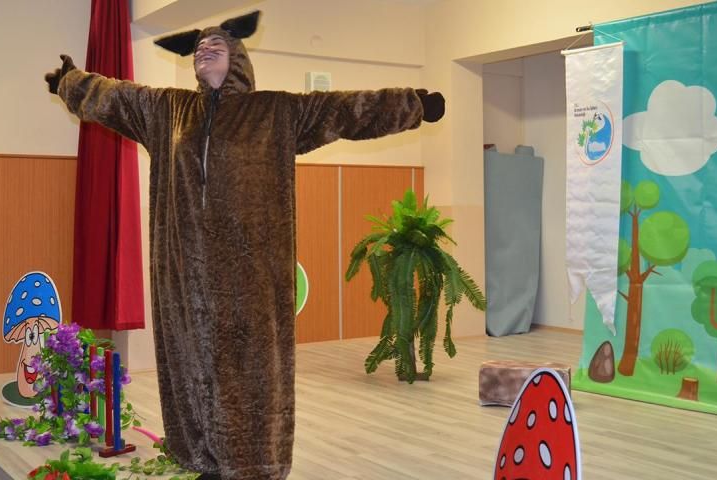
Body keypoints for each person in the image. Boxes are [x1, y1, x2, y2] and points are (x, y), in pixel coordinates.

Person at [45, 10, 444, 480]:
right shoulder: (167, 110)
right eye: (199, 47)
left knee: (249, 374)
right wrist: (71, 82)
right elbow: (112, 96)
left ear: (238, 59)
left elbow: (346, 110)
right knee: (188, 368)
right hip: (183, 276)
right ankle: (198, 457)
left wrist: (412, 104)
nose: (204, 50)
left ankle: (253, 464)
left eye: (217, 45)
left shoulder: (274, 113)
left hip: (251, 274)